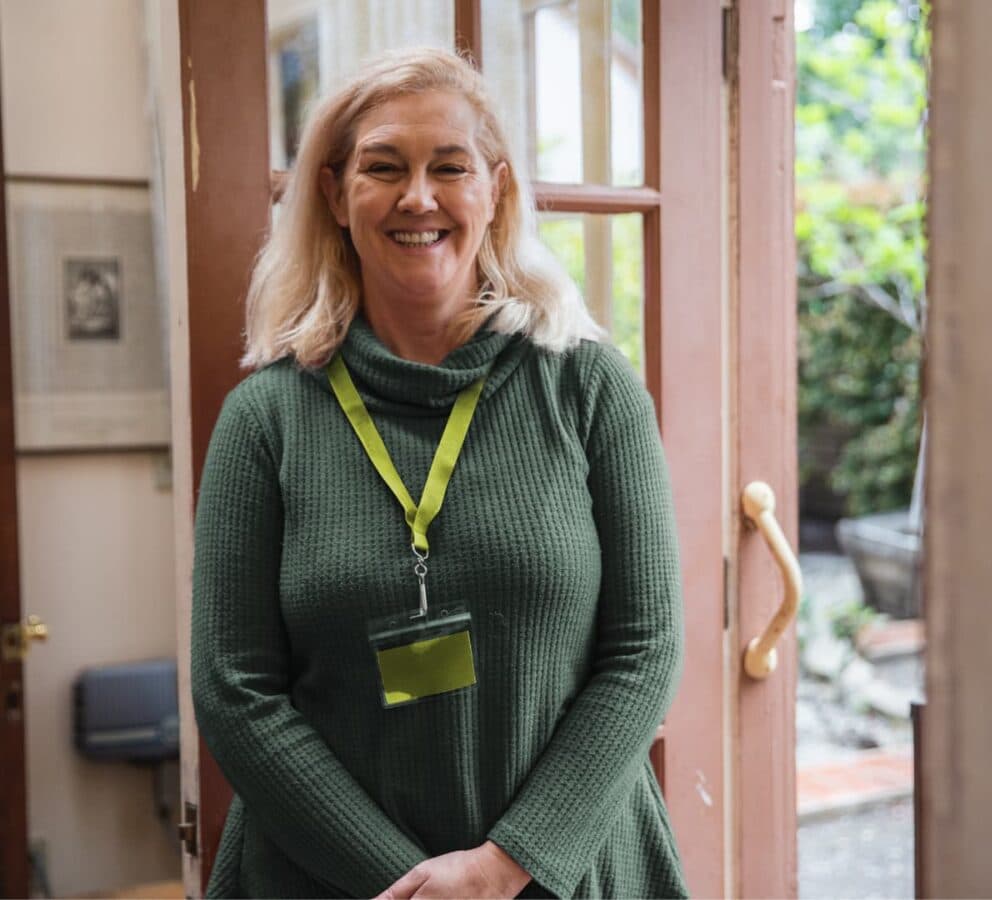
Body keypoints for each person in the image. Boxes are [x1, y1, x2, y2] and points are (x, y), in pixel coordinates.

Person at [191, 47, 688, 899]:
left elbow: (645, 649)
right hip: (324, 880)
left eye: (448, 167)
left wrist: (505, 868)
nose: (418, 197)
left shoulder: (590, 388)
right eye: (384, 167)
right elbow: (234, 689)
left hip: (566, 872)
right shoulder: (266, 418)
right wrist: (413, 886)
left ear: (494, 191)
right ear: (334, 194)